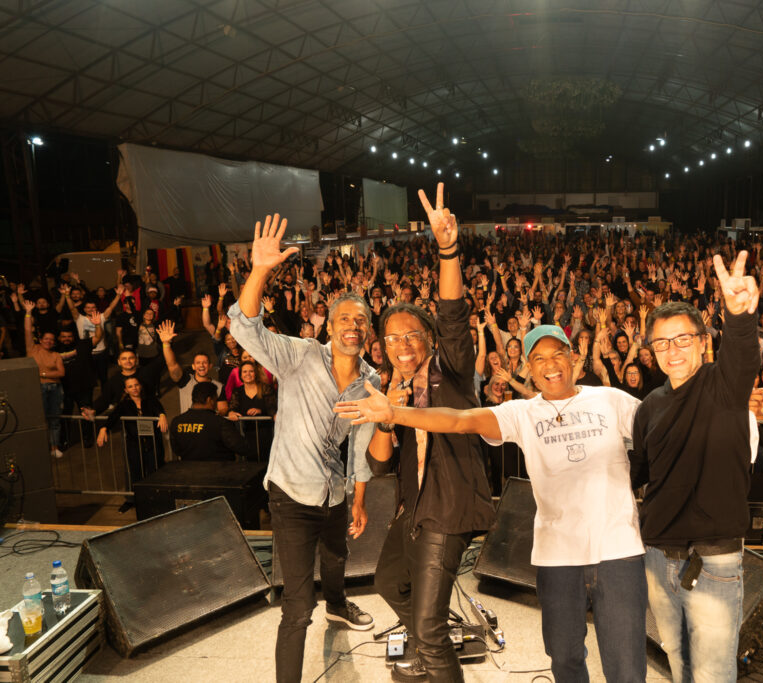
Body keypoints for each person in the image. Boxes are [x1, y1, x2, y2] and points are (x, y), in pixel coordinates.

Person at [338, 323, 648, 683]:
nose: (550, 365)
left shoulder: (612, 400)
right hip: (558, 557)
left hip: (618, 552)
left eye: (557, 354)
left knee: (627, 668)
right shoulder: (522, 412)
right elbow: (459, 420)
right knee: (565, 660)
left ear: (573, 357)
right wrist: (393, 414)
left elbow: (664, 434)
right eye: (539, 359)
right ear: (528, 369)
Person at [228, 213, 378, 683]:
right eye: (344, 318)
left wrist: (358, 499)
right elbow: (245, 329)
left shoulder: (371, 381)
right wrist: (259, 270)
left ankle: (338, 605)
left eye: (361, 320)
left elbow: (360, 447)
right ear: (329, 325)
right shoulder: (300, 355)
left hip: (333, 492)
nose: (353, 325)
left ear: (368, 331)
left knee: (336, 558)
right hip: (291, 496)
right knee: (297, 607)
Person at [357, 185, 494, 683]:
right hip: (414, 508)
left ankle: (426, 649)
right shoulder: (388, 390)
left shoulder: (450, 371)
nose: (402, 344)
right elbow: (378, 463)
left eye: (412, 335)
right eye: (392, 338)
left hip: (448, 507)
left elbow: (454, 317)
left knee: (433, 627)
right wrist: (386, 416)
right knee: (389, 581)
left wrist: (447, 249)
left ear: (429, 340)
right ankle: (420, 645)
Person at [630, 251, 760, 683]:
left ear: (704, 341)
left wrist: (738, 316)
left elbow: (742, 356)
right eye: (661, 343)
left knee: (713, 672)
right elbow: (639, 472)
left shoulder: (724, 386)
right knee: (678, 659)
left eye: (682, 339)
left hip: (713, 560)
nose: (672, 351)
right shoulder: (650, 406)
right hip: (657, 556)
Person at [96, 376, 168, 485]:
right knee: (137, 475)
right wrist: (104, 428)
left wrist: (162, 415)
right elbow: (113, 417)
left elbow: (158, 408)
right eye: (130, 386)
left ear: (140, 386)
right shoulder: (124, 405)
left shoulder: (150, 400)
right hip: (135, 446)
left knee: (155, 474)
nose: (134, 388)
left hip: (153, 444)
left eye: (136, 385)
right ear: (126, 390)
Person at [169, 382, 255, 462]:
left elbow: (176, 449)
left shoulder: (177, 422)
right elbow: (241, 447)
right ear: (209, 400)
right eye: (215, 399)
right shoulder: (220, 422)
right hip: (220, 469)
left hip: (188, 470)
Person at [22, 300, 65, 458]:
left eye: (51, 340)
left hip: (55, 389)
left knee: (54, 420)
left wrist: (42, 374)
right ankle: (40, 450)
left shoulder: (56, 355)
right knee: (39, 420)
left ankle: (54, 447)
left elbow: (61, 373)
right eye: (46, 339)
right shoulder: (32, 349)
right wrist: (28, 312)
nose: (49, 341)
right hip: (38, 388)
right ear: (40, 340)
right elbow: (28, 330)